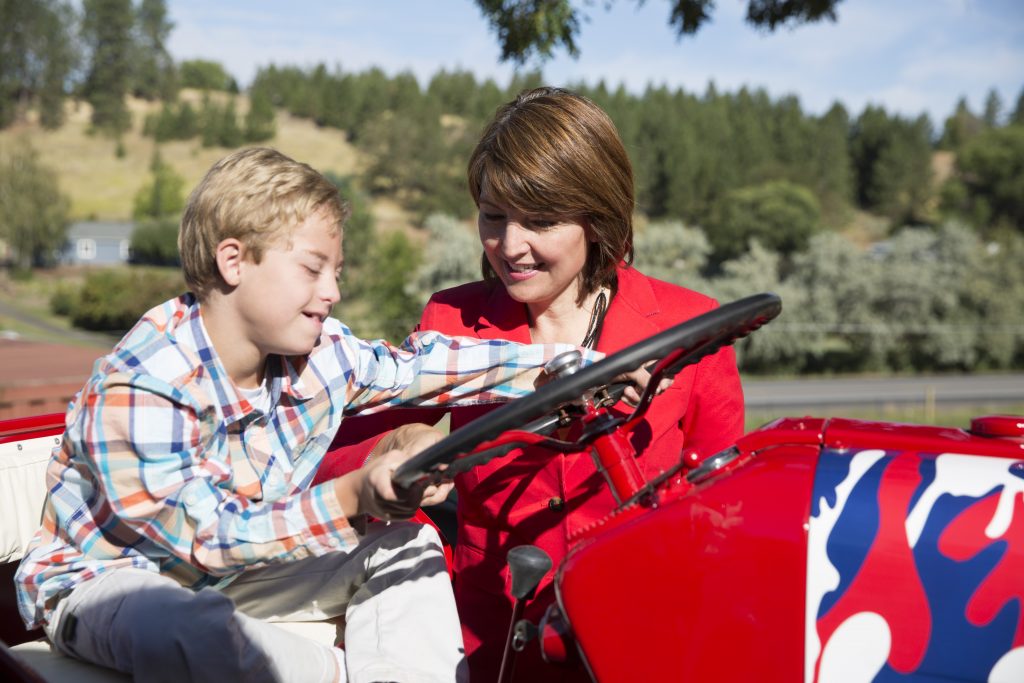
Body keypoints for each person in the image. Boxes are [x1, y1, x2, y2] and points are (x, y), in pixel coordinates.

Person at [14, 146, 605, 683]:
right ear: (234, 261)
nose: (332, 293)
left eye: (337, 273)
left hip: (243, 577)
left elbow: (425, 366)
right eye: (313, 269)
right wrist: (352, 497)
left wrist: (576, 365)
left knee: (404, 545)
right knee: (183, 625)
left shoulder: (315, 355)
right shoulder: (144, 381)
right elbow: (205, 539)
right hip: (110, 583)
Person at [316, 87, 745, 681]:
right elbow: (328, 455)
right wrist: (389, 455)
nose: (509, 246)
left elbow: (727, 510)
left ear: (597, 216)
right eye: (493, 217)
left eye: (540, 221)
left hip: (643, 635)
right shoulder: (453, 321)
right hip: (493, 639)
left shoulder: (689, 328)